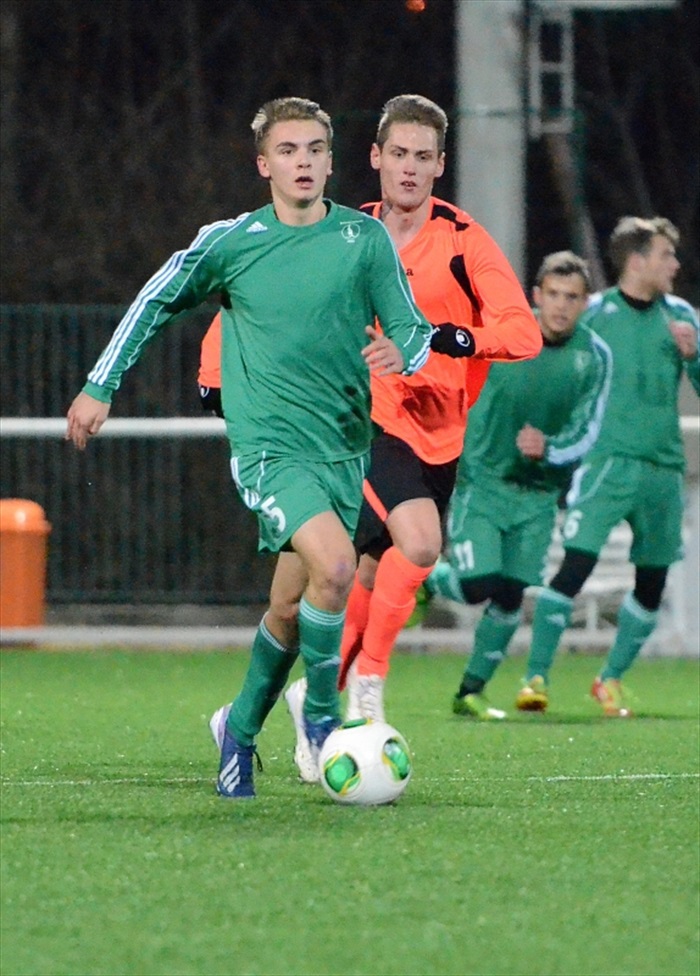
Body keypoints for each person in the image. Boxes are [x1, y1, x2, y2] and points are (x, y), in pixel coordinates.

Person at [65, 96, 435, 800]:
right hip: (269, 448)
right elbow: (155, 299)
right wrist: (99, 383)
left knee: (293, 613)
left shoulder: (365, 240)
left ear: (332, 160)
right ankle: (325, 722)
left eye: (315, 150)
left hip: (342, 450)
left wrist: (403, 351)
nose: (303, 162)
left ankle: (237, 727)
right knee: (335, 566)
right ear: (265, 164)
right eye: (289, 151)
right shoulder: (231, 241)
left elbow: (413, 329)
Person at [280, 93, 542, 781]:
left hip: (442, 434)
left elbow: (523, 332)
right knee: (422, 543)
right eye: (398, 154)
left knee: (370, 573)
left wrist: (449, 340)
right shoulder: (342, 232)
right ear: (374, 158)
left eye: (423, 157)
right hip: (359, 421)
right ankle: (367, 683)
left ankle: (315, 696)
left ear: (440, 166)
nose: (409, 168)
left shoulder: (462, 241)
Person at [519, 216, 699, 717]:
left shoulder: (682, 317)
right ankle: (536, 676)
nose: (675, 264)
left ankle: (610, 680)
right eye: (666, 255)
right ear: (638, 261)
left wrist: (695, 356)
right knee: (575, 565)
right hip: (606, 463)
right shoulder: (595, 314)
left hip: (663, 468)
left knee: (653, 582)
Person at [424, 251, 612, 719]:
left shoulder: (594, 357)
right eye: (553, 295)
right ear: (536, 296)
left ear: (586, 302)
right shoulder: (502, 334)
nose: (561, 306)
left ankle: (469, 691)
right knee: (477, 585)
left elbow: (589, 430)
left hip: (538, 495)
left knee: (510, 596)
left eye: (572, 297)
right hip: (482, 482)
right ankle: (423, 579)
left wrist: (548, 448)